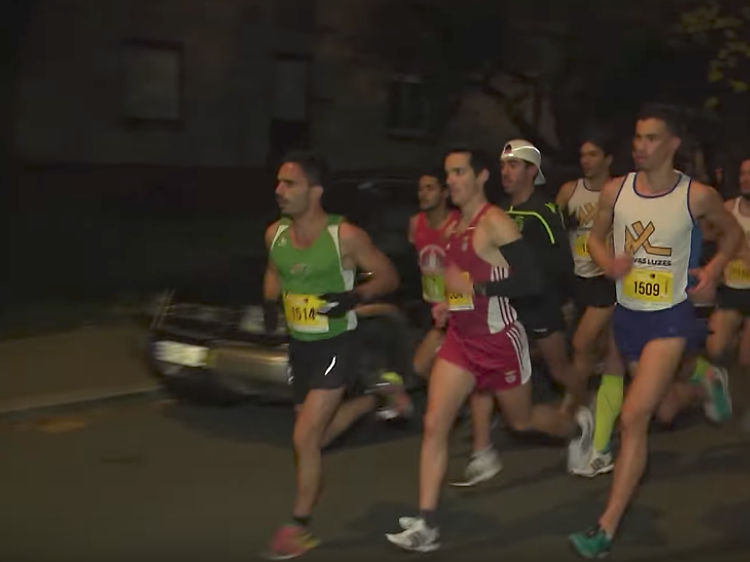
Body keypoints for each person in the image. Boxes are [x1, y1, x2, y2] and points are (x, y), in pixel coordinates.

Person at [385, 147, 593, 553]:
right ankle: (427, 524)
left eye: (460, 172)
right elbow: (457, 279)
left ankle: (576, 424)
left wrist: (478, 290)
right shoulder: (451, 228)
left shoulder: (494, 222)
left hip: (501, 340)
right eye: (448, 174)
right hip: (462, 341)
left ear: (481, 177)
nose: (452, 181)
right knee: (434, 425)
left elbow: (531, 281)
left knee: (522, 421)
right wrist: (450, 302)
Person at [569, 104, 740, 558]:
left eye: (649, 138)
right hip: (628, 316)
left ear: (672, 145)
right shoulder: (615, 191)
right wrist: (608, 264)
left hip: (671, 316)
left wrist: (715, 268)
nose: (639, 146)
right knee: (662, 410)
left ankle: (604, 530)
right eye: (637, 137)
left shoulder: (697, 196)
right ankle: (702, 383)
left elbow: (733, 234)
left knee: (633, 418)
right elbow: (596, 239)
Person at [262, 150, 411, 559]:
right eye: (278, 182)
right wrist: (271, 308)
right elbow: (275, 271)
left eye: (289, 183)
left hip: (336, 345)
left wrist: (354, 296)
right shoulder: (274, 233)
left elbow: (389, 276)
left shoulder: (343, 235)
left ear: (315, 191)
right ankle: (372, 399)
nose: (279, 190)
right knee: (315, 440)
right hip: (300, 349)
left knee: (303, 437)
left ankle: (298, 527)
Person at [454, 140, 594, 486]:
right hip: (506, 306)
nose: (506, 171)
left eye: (514, 165)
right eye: (503, 165)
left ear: (532, 171)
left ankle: (584, 410)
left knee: (558, 367)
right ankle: (483, 450)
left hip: (541, 303)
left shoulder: (543, 210)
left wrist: (563, 299)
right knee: (484, 377)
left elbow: (562, 260)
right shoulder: (498, 211)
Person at [556, 134, 625, 477]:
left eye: (593, 154)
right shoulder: (570, 191)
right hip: (578, 279)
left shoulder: (619, 192)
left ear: (608, 158)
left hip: (609, 279)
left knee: (583, 344)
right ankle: (599, 431)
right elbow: (554, 235)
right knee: (606, 352)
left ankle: (573, 411)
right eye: (582, 154)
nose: (586, 160)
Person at [408, 171, 461, 380]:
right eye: (420, 189)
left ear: (445, 193)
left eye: (430, 188)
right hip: (430, 305)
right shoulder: (415, 223)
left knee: (423, 367)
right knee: (429, 370)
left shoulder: (458, 225)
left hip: (455, 307)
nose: (423, 194)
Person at [706, 158, 750, 373]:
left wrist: (740, 249)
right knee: (714, 349)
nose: (746, 179)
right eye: (743, 173)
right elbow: (707, 237)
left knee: (746, 360)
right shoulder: (726, 210)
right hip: (731, 290)